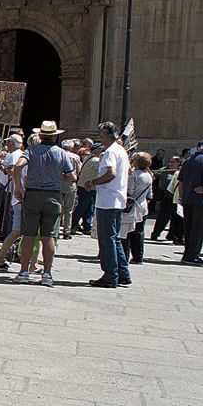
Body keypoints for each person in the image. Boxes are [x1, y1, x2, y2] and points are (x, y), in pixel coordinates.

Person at [11, 122, 74, 286]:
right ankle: (47, 274)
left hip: (32, 194)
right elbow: (72, 176)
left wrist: (18, 187)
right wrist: (57, 178)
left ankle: (24, 271)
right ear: (55, 135)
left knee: (28, 235)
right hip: (53, 196)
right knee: (49, 236)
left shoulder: (31, 151)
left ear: (40, 135)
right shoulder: (61, 153)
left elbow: (17, 167)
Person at [86, 122, 131, 288]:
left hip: (108, 200)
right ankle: (123, 273)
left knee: (107, 239)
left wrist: (93, 182)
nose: (99, 137)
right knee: (115, 238)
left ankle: (110, 275)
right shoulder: (121, 150)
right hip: (117, 199)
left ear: (106, 134)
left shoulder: (111, 151)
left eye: (100, 133)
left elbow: (110, 173)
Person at [177, 138, 203, 265]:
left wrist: (182, 196)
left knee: (188, 227)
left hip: (187, 199)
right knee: (198, 228)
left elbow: (181, 181)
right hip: (199, 200)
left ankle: (187, 252)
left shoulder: (188, 160)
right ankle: (192, 255)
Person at [123, 151, 154, 265]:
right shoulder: (149, 175)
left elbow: (129, 191)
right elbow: (150, 194)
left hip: (132, 207)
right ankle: (138, 256)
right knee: (139, 232)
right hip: (143, 206)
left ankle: (125, 256)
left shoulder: (134, 174)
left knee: (127, 232)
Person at [149, 155, 183, 243]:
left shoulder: (181, 172)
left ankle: (172, 235)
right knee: (163, 216)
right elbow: (154, 174)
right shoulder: (164, 170)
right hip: (166, 196)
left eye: (173, 162)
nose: (170, 164)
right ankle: (156, 233)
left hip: (176, 198)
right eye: (169, 162)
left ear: (178, 163)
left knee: (176, 217)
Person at [72, 139, 99, 235]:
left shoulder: (88, 157)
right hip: (87, 186)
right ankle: (74, 225)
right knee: (82, 207)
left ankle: (87, 226)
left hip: (85, 185)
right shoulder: (96, 160)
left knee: (88, 207)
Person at [59, 138, 81, 239]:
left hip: (59, 182)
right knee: (69, 209)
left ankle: (55, 229)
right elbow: (78, 170)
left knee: (58, 208)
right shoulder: (76, 157)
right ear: (72, 147)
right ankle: (66, 231)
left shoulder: (58, 155)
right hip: (70, 183)